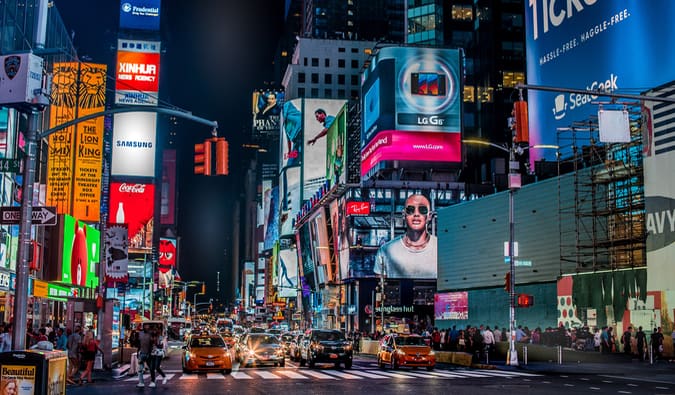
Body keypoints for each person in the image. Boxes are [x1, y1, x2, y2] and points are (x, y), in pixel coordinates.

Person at [374, 194, 438, 279]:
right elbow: (380, 287)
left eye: (422, 210)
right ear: (404, 215)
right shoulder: (386, 251)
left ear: (429, 216)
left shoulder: (442, 249)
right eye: (410, 210)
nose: (416, 214)